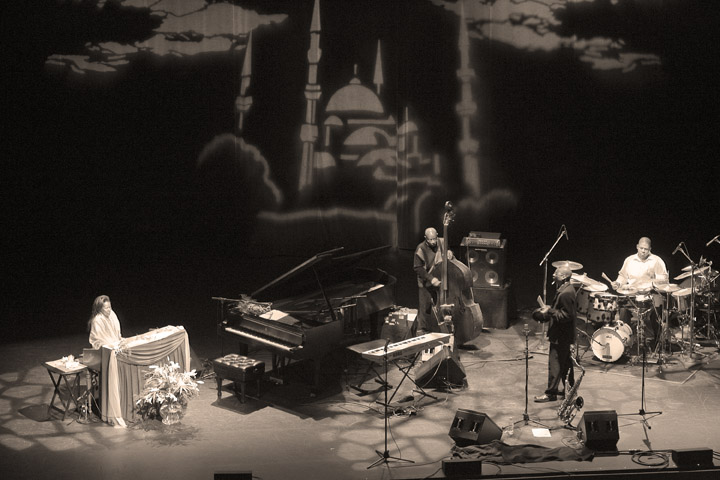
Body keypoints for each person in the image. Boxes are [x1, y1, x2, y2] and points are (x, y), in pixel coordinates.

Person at [611, 237, 668, 348]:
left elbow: (663, 280)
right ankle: (625, 341)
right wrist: (618, 283)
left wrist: (651, 284)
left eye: (646, 249)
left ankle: (657, 342)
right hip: (632, 294)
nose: (643, 251)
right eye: (641, 248)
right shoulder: (629, 260)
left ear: (650, 249)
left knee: (657, 310)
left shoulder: (657, 260)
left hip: (649, 294)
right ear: (637, 247)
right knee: (623, 310)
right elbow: (622, 276)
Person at [533, 265, 576, 402]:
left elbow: (567, 316)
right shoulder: (564, 289)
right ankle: (570, 391)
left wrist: (549, 311)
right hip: (563, 334)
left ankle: (551, 393)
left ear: (564, 276)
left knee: (555, 364)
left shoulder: (566, 293)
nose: (553, 274)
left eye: (556, 273)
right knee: (565, 364)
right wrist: (550, 310)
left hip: (561, 335)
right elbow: (562, 311)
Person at [413, 227, 444, 335]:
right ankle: (421, 332)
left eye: (434, 239)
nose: (432, 242)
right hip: (425, 282)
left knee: (439, 306)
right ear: (425, 238)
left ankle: (439, 330)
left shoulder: (442, 242)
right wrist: (431, 278)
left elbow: (446, 254)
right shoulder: (420, 249)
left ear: (437, 235)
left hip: (440, 280)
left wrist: (450, 252)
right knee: (425, 309)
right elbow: (418, 268)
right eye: (429, 239)